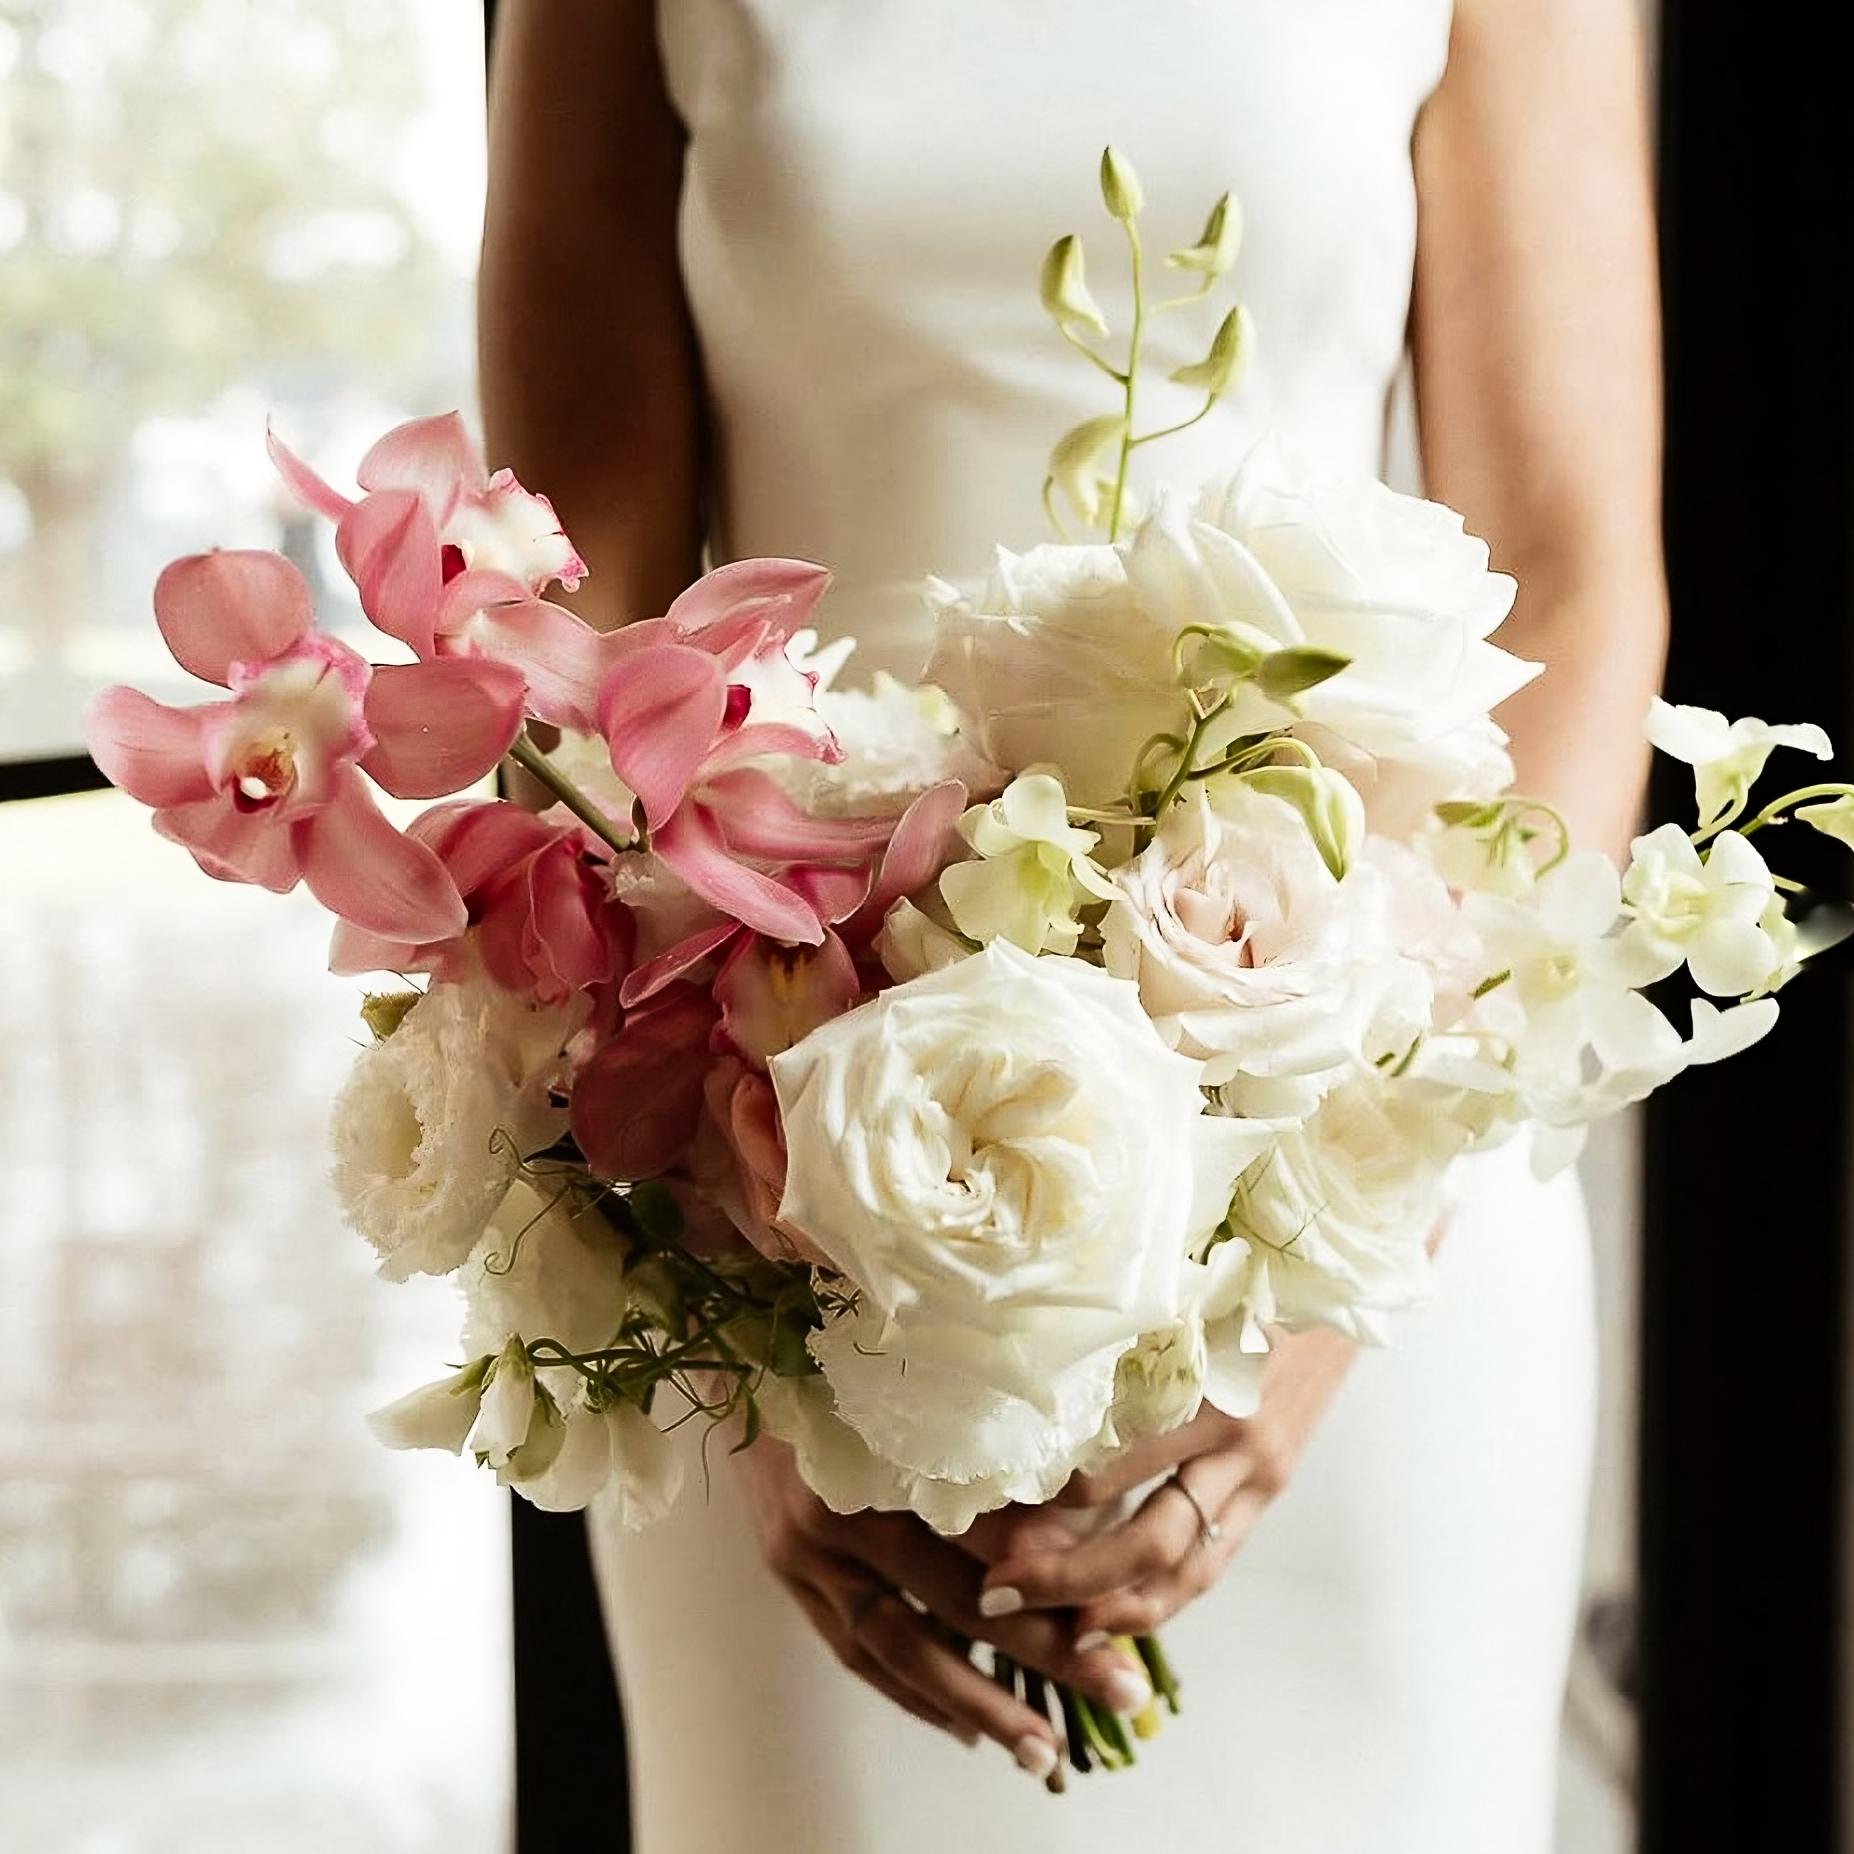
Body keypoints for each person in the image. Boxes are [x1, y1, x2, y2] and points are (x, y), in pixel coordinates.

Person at [479, 2, 1665, 1847]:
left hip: (1364, 1176)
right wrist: (727, 1313)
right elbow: (581, 589)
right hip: (774, 1193)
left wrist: (1332, 1260)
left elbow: (1578, 576)